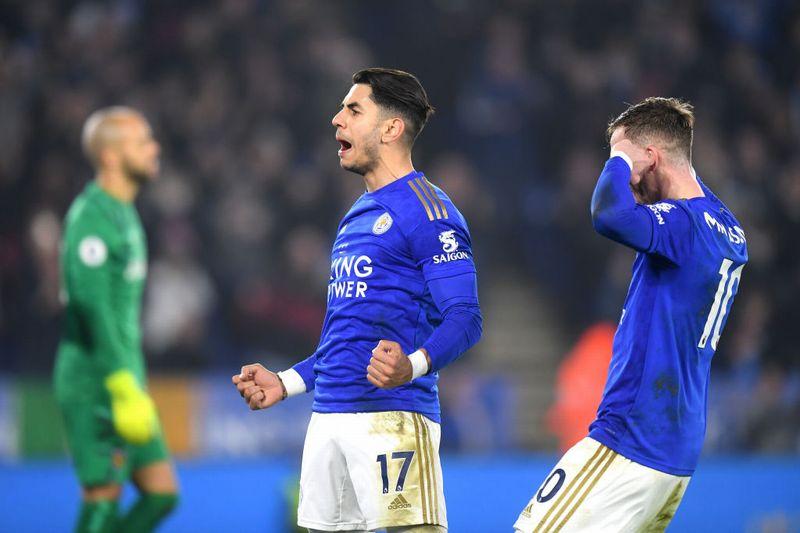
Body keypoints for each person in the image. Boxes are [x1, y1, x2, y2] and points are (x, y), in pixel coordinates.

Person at [233, 68, 482, 533]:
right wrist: (285, 382)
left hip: (393, 417)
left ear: (391, 128)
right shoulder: (355, 216)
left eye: (353, 109)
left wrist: (413, 365)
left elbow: (465, 317)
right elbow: (344, 339)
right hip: (328, 418)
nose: (336, 119)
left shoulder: (430, 212)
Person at [514, 97, 748, 532]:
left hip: (631, 436)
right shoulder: (728, 228)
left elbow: (608, 215)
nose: (626, 178)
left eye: (626, 162)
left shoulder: (682, 225)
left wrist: (620, 157)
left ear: (651, 158)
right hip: (675, 451)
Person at [54, 107, 179, 532]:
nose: (154, 148)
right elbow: (91, 309)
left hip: (126, 375)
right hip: (97, 378)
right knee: (103, 498)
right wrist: (121, 384)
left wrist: (131, 379)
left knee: (161, 494)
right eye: (141, 142)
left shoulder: (123, 212)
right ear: (110, 156)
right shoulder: (91, 217)